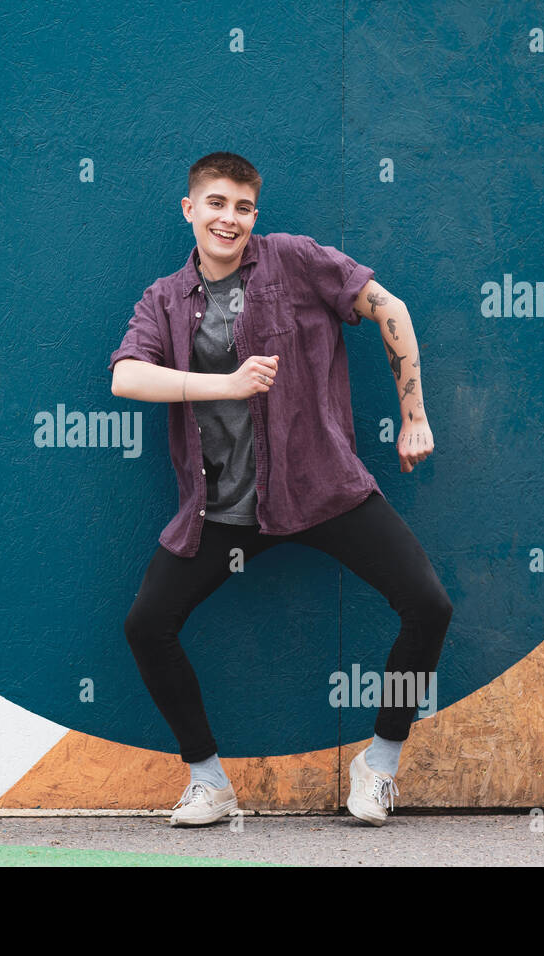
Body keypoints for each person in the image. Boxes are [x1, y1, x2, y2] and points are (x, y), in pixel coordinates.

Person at [107, 152, 452, 827]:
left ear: (254, 216)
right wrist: (226, 384)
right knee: (147, 626)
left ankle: (380, 765)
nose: (228, 219)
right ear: (190, 209)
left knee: (428, 605)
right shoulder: (166, 299)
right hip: (226, 510)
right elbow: (126, 377)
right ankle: (208, 782)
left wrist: (415, 415)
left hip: (323, 487)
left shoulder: (293, 261)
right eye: (215, 204)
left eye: (241, 207)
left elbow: (391, 309)